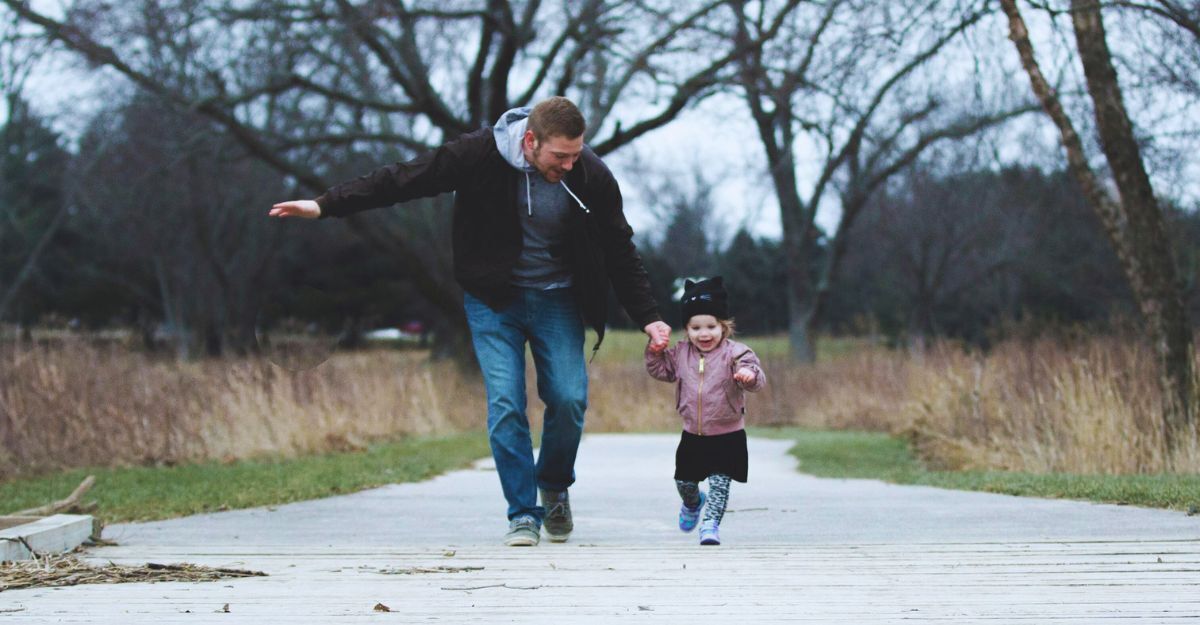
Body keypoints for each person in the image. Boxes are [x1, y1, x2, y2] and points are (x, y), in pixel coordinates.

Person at [270, 97, 672, 546]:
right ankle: (523, 513)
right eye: (560, 156)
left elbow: (620, 247)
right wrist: (325, 205)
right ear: (530, 140)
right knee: (505, 404)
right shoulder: (477, 154)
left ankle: (554, 485)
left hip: (557, 298)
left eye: (576, 154)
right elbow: (404, 179)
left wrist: (649, 318)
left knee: (569, 398)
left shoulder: (590, 174)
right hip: (493, 299)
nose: (569, 164)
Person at [644, 276, 765, 545]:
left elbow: (757, 377)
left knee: (720, 486)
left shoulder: (736, 354)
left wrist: (748, 374)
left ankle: (710, 526)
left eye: (711, 326)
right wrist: (654, 352)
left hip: (728, 434)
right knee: (685, 483)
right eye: (696, 327)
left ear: (724, 327)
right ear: (687, 330)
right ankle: (694, 502)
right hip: (693, 435)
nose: (704, 333)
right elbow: (660, 370)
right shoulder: (680, 354)